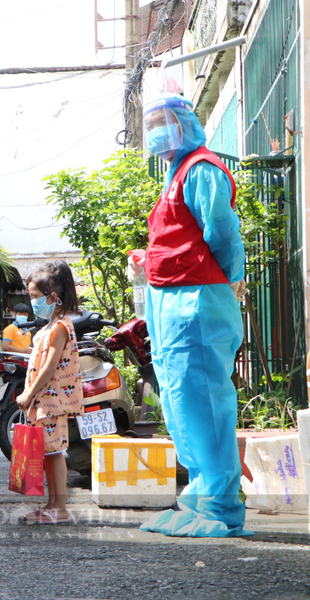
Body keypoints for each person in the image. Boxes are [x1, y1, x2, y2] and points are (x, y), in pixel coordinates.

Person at [131, 94, 250, 538]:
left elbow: (222, 232)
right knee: (182, 404)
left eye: (162, 122)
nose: (156, 133)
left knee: (204, 404)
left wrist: (232, 276)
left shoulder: (201, 168)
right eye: (150, 125)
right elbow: (181, 237)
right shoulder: (178, 173)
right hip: (172, 304)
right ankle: (199, 499)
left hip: (197, 301)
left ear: (185, 123)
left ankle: (219, 505)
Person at [15, 261, 83, 525]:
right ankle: (51, 505)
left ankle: (60, 509)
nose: (32, 302)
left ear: (53, 297)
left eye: (35, 296)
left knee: (54, 453)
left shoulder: (60, 327)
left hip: (52, 400)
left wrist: (28, 394)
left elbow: (50, 367)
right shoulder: (50, 325)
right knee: (48, 452)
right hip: (44, 400)